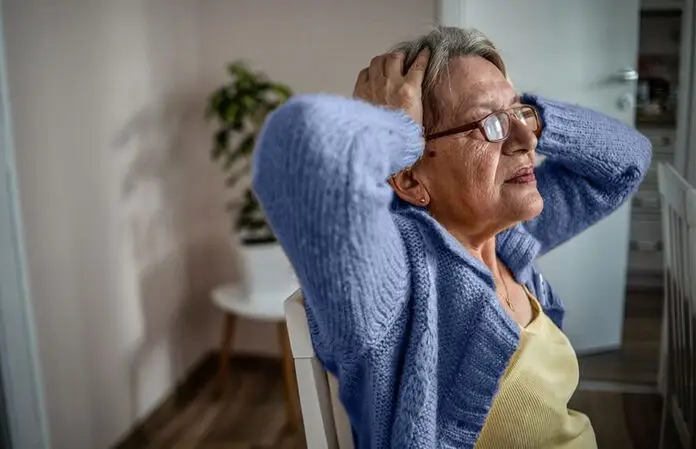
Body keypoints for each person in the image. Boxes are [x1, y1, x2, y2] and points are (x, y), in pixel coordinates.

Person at [251, 26, 651, 448]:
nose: (527, 140)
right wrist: (390, 128)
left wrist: (532, 114)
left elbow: (628, 160)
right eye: (490, 124)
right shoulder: (401, 279)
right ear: (410, 178)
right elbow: (292, 151)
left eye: (521, 117)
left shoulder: (507, 237)